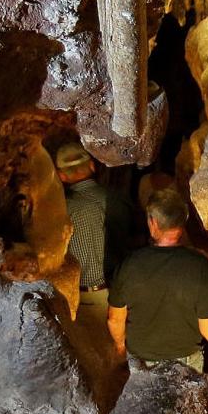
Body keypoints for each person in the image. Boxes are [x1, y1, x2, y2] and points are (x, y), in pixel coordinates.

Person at [107, 188, 208, 372]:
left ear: (152, 222)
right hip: (185, 363)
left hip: (141, 361)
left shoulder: (129, 265)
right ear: (184, 222)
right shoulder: (200, 267)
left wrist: (120, 346)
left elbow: (114, 320)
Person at [55, 141, 132, 329]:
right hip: (121, 293)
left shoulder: (61, 211)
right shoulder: (119, 199)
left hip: (81, 299)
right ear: (92, 166)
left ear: (61, 176)